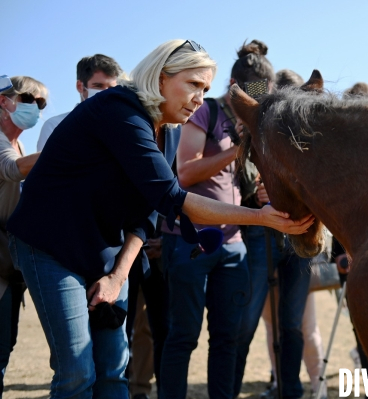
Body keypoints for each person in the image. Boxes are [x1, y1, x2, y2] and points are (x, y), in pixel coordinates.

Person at [7, 39, 312, 399]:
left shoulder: (167, 130)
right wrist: (260, 217)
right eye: (194, 85)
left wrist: (117, 276)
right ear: (161, 78)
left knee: (113, 371)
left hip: (103, 253)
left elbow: (147, 212)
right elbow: (172, 197)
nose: (200, 98)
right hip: (50, 246)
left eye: (206, 89)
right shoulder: (120, 110)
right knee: (77, 371)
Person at [158, 39, 263, 399]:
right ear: (232, 86)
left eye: (260, 95)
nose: (253, 101)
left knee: (227, 338)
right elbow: (184, 174)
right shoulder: (207, 111)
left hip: (233, 246)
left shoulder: (251, 121)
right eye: (248, 93)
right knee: (183, 335)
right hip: (190, 241)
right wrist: (238, 149)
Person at [231, 52, 314, 399]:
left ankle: (290, 390)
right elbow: (242, 180)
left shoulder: (292, 118)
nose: (259, 90)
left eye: (263, 84)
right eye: (253, 85)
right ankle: (229, 390)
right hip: (258, 231)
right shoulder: (245, 118)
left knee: (292, 325)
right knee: (246, 323)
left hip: (296, 230)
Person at [0, 75, 48, 397]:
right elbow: (11, 168)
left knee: (4, 348)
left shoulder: (19, 144)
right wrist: (70, 147)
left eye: (41, 104)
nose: (36, 108)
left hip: (8, 267)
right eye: (30, 99)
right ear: (4, 100)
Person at [37, 54, 122, 151]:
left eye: (112, 88)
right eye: (98, 86)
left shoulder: (121, 125)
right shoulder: (55, 125)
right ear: (80, 86)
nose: (106, 93)